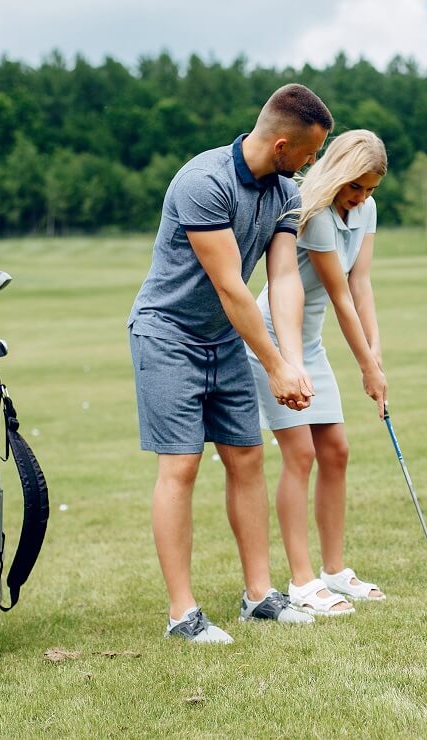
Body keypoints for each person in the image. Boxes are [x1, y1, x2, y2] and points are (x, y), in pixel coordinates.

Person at [127, 84, 334, 644]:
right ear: (284, 143)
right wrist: (273, 365)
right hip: (167, 334)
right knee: (182, 466)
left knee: (246, 458)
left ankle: (260, 596)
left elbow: (284, 277)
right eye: (311, 153)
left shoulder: (285, 192)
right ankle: (182, 615)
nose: (312, 163)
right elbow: (228, 285)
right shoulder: (203, 181)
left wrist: (292, 359)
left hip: (224, 338)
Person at [246, 130, 388, 617]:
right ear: (340, 175)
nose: (362, 197)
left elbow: (362, 283)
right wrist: (366, 369)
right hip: (273, 341)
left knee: (337, 450)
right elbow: (341, 297)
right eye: (356, 187)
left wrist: (377, 354)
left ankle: (333, 570)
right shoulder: (317, 217)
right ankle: (302, 582)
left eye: (370, 190)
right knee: (300, 454)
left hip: (310, 341)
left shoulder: (365, 212)